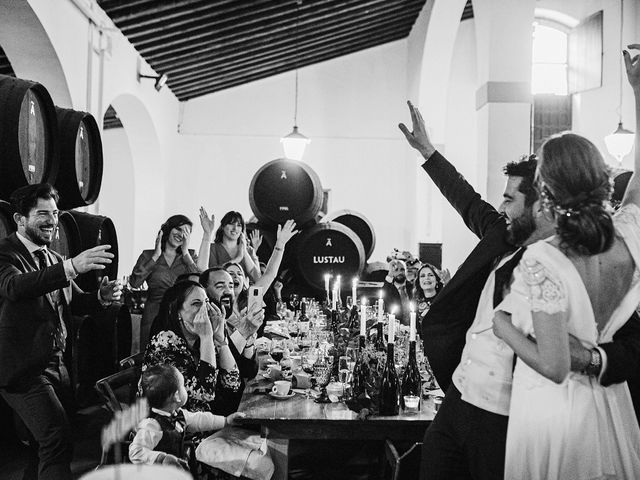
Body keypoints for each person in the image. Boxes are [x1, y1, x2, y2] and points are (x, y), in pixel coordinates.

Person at [398, 101, 640, 480]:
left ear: (542, 199)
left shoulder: (575, 256)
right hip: (458, 397)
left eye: (511, 199)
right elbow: (466, 200)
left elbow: (625, 346)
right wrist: (428, 152)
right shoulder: (502, 234)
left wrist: (591, 359)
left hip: (509, 417)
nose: (501, 205)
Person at [491, 47, 640, 479]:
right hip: (611, 406)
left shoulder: (544, 258)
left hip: (552, 415)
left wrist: (503, 327)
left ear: (548, 191)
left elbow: (555, 366)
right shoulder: (629, 234)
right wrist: (636, 92)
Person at [0, 183, 121, 480]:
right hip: (24, 371)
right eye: (43, 213)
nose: (52, 220)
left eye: (54, 213)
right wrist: (71, 267)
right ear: (20, 219)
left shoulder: (53, 258)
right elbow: (14, 288)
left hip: (59, 366)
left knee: (41, 447)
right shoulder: (6, 254)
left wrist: (101, 298)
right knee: (57, 440)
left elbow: (75, 301)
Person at [141, 280, 240, 414]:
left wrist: (220, 339)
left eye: (206, 303)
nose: (205, 310)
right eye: (196, 304)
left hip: (205, 421)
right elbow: (206, 393)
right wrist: (206, 337)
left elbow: (233, 383)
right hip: (170, 427)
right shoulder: (164, 342)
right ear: (176, 312)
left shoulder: (202, 339)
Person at [129, 364, 244, 469]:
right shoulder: (152, 425)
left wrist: (226, 421)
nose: (186, 390)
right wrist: (161, 458)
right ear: (177, 396)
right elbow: (135, 452)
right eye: (183, 386)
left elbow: (199, 420)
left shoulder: (178, 413)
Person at [199, 267, 264, 415]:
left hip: (233, 407)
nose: (229, 291)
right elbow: (228, 378)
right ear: (204, 292)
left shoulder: (224, 322)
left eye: (231, 286)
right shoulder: (202, 325)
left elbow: (248, 371)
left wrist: (248, 337)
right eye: (220, 286)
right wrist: (244, 331)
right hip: (215, 414)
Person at [130, 214, 199, 350]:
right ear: (168, 229)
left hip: (182, 314)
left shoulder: (190, 256)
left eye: (186, 232)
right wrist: (155, 256)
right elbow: (135, 282)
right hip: (153, 314)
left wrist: (185, 253)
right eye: (179, 229)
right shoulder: (148, 255)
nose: (181, 234)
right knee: (151, 358)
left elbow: (199, 283)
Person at [197, 209, 260, 282]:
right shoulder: (213, 248)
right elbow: (212, 275)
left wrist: (244, 251)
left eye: (239, 225)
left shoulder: (249, 250)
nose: (235, 228)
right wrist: (237, 259)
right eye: (231, 224)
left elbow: (258, 278)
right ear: (223, 226)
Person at [382, 258, 413, 324]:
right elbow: (383, 295)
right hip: (396, 327)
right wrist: (390, 274)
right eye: (396, 270)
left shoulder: (413, 287)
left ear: (406, 271)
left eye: (402, 269)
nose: (400, 272)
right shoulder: (388, 289)